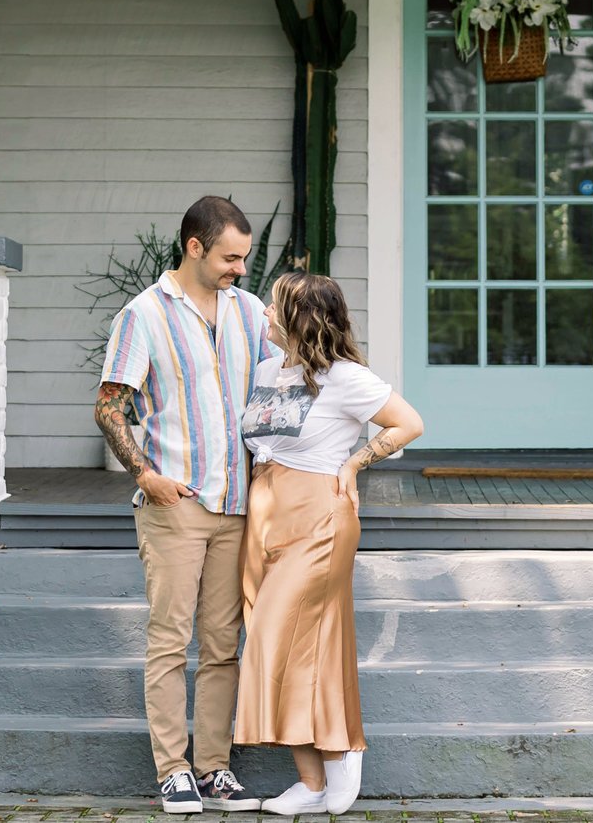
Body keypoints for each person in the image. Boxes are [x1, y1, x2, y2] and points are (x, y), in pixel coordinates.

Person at [97, 196, 273, 814]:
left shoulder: (249, 313)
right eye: (230, 257)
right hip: (175, 503)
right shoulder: (143, 315)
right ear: (194, 247)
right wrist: (147, 475)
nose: (240, 270)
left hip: (238, 504)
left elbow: (279, 392)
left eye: (245, 259)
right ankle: (173, 770)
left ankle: (214, 767)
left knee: (223, 643)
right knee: (170, 640)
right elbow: (109, 406)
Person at [235, 272, 426, 816]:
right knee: (286, 644)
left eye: (274, 306)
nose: (265, 315)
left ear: (300, 318)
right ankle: (313, 780)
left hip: (318, 516)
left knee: (278, 639)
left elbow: (409, 422)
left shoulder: (345, 377)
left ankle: (339, 753)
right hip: (264, 517)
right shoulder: (269, 370)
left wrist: (356, 461)